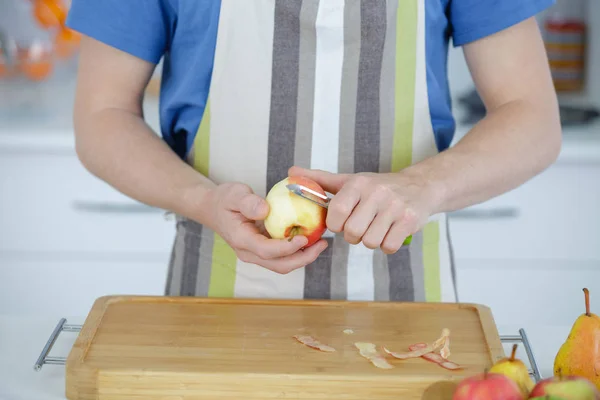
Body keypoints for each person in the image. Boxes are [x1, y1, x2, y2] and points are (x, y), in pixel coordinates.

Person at [65, 0, 561, 303]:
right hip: (214, 298)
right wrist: (203, 201)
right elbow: (102, 116)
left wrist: (422, 187)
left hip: (405, 303)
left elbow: (532, 116)